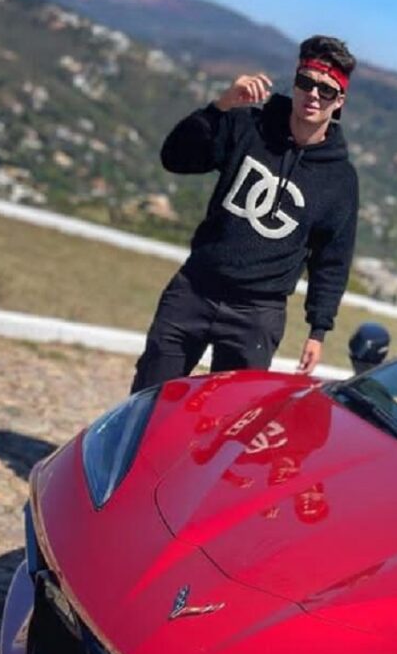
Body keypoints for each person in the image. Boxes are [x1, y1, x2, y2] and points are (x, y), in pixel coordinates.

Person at [130, 35, 359, 392]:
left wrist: (318, 330)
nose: (313, 95)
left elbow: (332, 259)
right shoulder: (247, 126)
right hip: (194, 289)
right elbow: (176, 157)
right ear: (296, 82)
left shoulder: (340, 179)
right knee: (149, 398)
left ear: (339, 100)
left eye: (326, 91)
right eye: (306, 83)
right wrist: (220, 106)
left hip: (257, 314)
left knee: (227, 419)